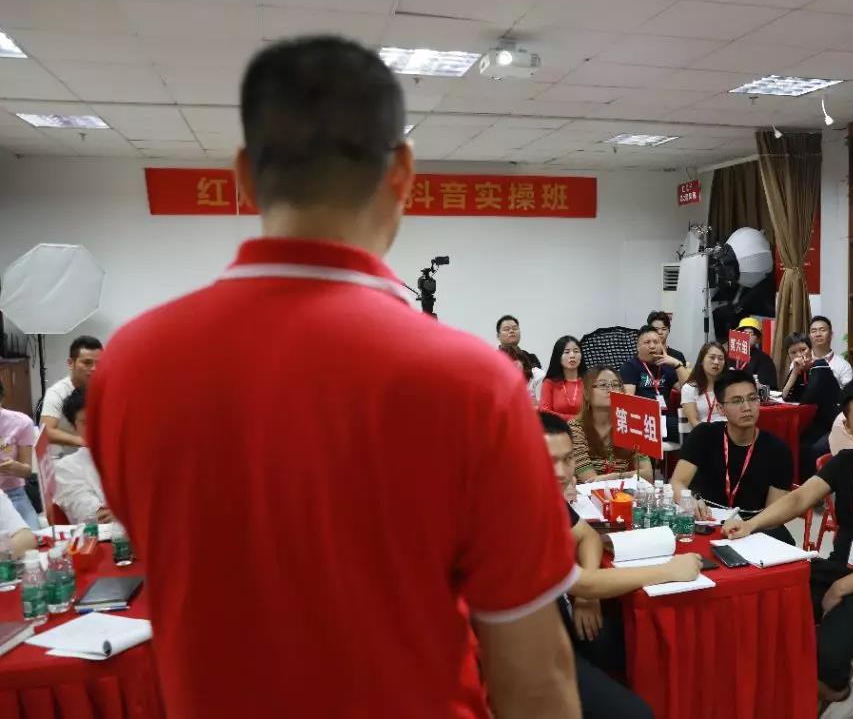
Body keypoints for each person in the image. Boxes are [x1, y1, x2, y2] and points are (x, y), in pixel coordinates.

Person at [87, 36, 579, 718]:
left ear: (244, 175)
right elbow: (534, 678)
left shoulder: (128, 367)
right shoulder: (474, 384)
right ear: (402, 172)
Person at [724, 377, 853, 718]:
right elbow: (800, 499)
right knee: (771, 602)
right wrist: (751, 524)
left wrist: (842, 587)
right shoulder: (847, 462)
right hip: (840, 568)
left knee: (824, 651)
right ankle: (795, 689)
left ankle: (840, 695)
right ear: (848, 427)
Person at [542, 411, 697, 719]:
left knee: (645, 645)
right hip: (534, 650)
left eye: (568, 459)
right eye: (549, 461)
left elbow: (587, 537)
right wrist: (670, 570)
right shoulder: (516, 507)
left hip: (562, 618)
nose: (561, 472)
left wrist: (588, 597)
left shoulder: (549, 497)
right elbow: (579, 582)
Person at [673, 369, 795, 544]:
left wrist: (749, 526)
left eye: (752, 398)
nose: (747, 407)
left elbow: (774, 515)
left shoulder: (778, 450)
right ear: (720, 408)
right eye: (737, 401)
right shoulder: (704, 435)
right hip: (707, 522)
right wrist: (689, 501)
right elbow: (677, 482)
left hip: (755, 529)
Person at [571, 368, 654, 484]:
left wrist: (617, 476)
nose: (611, 390)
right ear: (586, 393)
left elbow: (648, 475)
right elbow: (590, 481)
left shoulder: (631, 426)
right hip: (585, 493)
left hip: (621, 493)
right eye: (603, 385)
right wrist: (628, 477)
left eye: (616, 385)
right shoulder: (575, 428)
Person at [781, 332, 842, 481]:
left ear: (810, 349)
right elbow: (786, 396)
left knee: (810, 450)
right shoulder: (799, 370)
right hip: (815, 425)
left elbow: (808, 398)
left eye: (803, 349)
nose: (799, 355)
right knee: (790, 445)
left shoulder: (820, 365)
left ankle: (811, 487)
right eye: (793, 352)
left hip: (833, 425)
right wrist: (794, 373)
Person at [53, 388, 114, 525]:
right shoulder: (67, 467)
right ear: (75, 427)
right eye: (86, 422)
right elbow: (93, 515)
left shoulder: (138, 457)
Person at [620, 326, 689, 443]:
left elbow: (688, 389)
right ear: (638, 346)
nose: (652, 346)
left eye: (656, 342)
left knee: (692, 428)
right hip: (643, 420)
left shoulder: (666, 366)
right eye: (647, 342)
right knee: (687, 431)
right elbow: (628, 401)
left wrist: (677, 364)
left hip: (664, 419)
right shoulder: (630, 367)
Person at [40, 335, 101, 457]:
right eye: (87, 363)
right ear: (70, 363)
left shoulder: (109, 388)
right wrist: (85, 442)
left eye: (99, 363)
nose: (94, 368)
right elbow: (46, 432)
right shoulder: (57, 393)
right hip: (72, 458)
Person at [0, 378, 39, 528]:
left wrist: (14, 467)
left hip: (13, 494)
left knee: (33, 538)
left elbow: (26, 471)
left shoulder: (21, 423)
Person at [680, 342, 727, 434]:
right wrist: (716, 433)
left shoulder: (729, 386)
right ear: (701, 361)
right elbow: (693, 422)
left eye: (720, 358)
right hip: (703, 434)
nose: (716, 362)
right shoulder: (689, 388)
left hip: (729, 434)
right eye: (712, 357)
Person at [540, 336, 586, 420]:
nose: (572, 355)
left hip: (586, 426)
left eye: (576, 351)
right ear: (558, 356)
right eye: (567, 352)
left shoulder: (589, 381)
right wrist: (574, 419)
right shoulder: (549, 383)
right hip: (557, 427)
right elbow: (545, 412)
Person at [732, 316, 778, 390]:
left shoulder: (764, 359)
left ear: (758, 339)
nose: (746, 336)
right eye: (743, 333)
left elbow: (769, 387)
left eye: (750, 333)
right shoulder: (730, 356)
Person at [809, 315, 853, 387]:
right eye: (813, 331)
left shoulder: (843, 365)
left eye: (822, 330)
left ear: (831, 334)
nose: (818, 334)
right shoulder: (801, 363)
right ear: (809, 336)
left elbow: (849, 392)